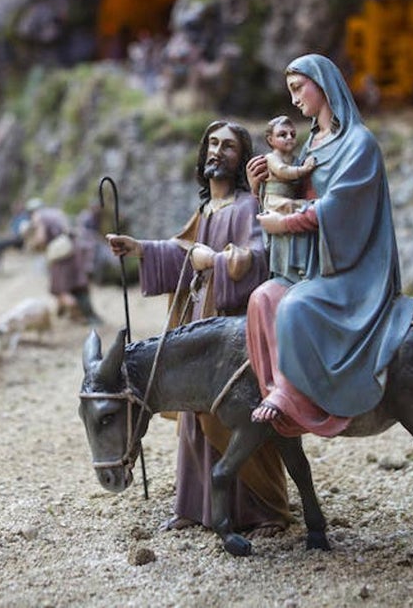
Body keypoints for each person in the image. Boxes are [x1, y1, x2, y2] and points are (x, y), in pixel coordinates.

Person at [105, 120, 288, 537]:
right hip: (198, 322)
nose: (216, 151)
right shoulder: (206, 210)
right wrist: (139, 249)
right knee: (193, 415)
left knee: (235, 415)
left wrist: (221, 261)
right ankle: (194, 505)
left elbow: (260, 258)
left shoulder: (246, 207)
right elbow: (182, 250)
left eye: (227, 146)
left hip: (231, 332)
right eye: (212, 143)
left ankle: (264, 510)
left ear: (241, 158)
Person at [245, 53, 413, 438]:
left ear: (322, 84)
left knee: (294, 305)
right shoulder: (311, 145)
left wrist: (288, 219)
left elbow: (340, 209)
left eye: (297, 88)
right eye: (290, 91)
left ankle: (295, 395)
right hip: (313, 264)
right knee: (261, 298)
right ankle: (282, 391)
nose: (294, 100)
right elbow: (293, 192)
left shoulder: (359, 143)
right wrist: (260, 189)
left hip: (353, 269)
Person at [25, 198, 101, 323]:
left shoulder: (38, 216)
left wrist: (32, 245)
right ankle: (78, 314)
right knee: (75, 284)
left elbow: (41, 238)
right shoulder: (56, 212)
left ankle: (77, 315)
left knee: (59, 290)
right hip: (73, 248)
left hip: (59, 253)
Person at [260, 115, 316, 215]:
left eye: (293, 135)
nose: (289, 137)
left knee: (306, 205)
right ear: (270, 140)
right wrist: (304, 169)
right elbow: (282, 170)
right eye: (283, 135)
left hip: (290, 197)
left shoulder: (296, 160)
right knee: (290, 205)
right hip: (274, 200)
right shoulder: (271, 157)